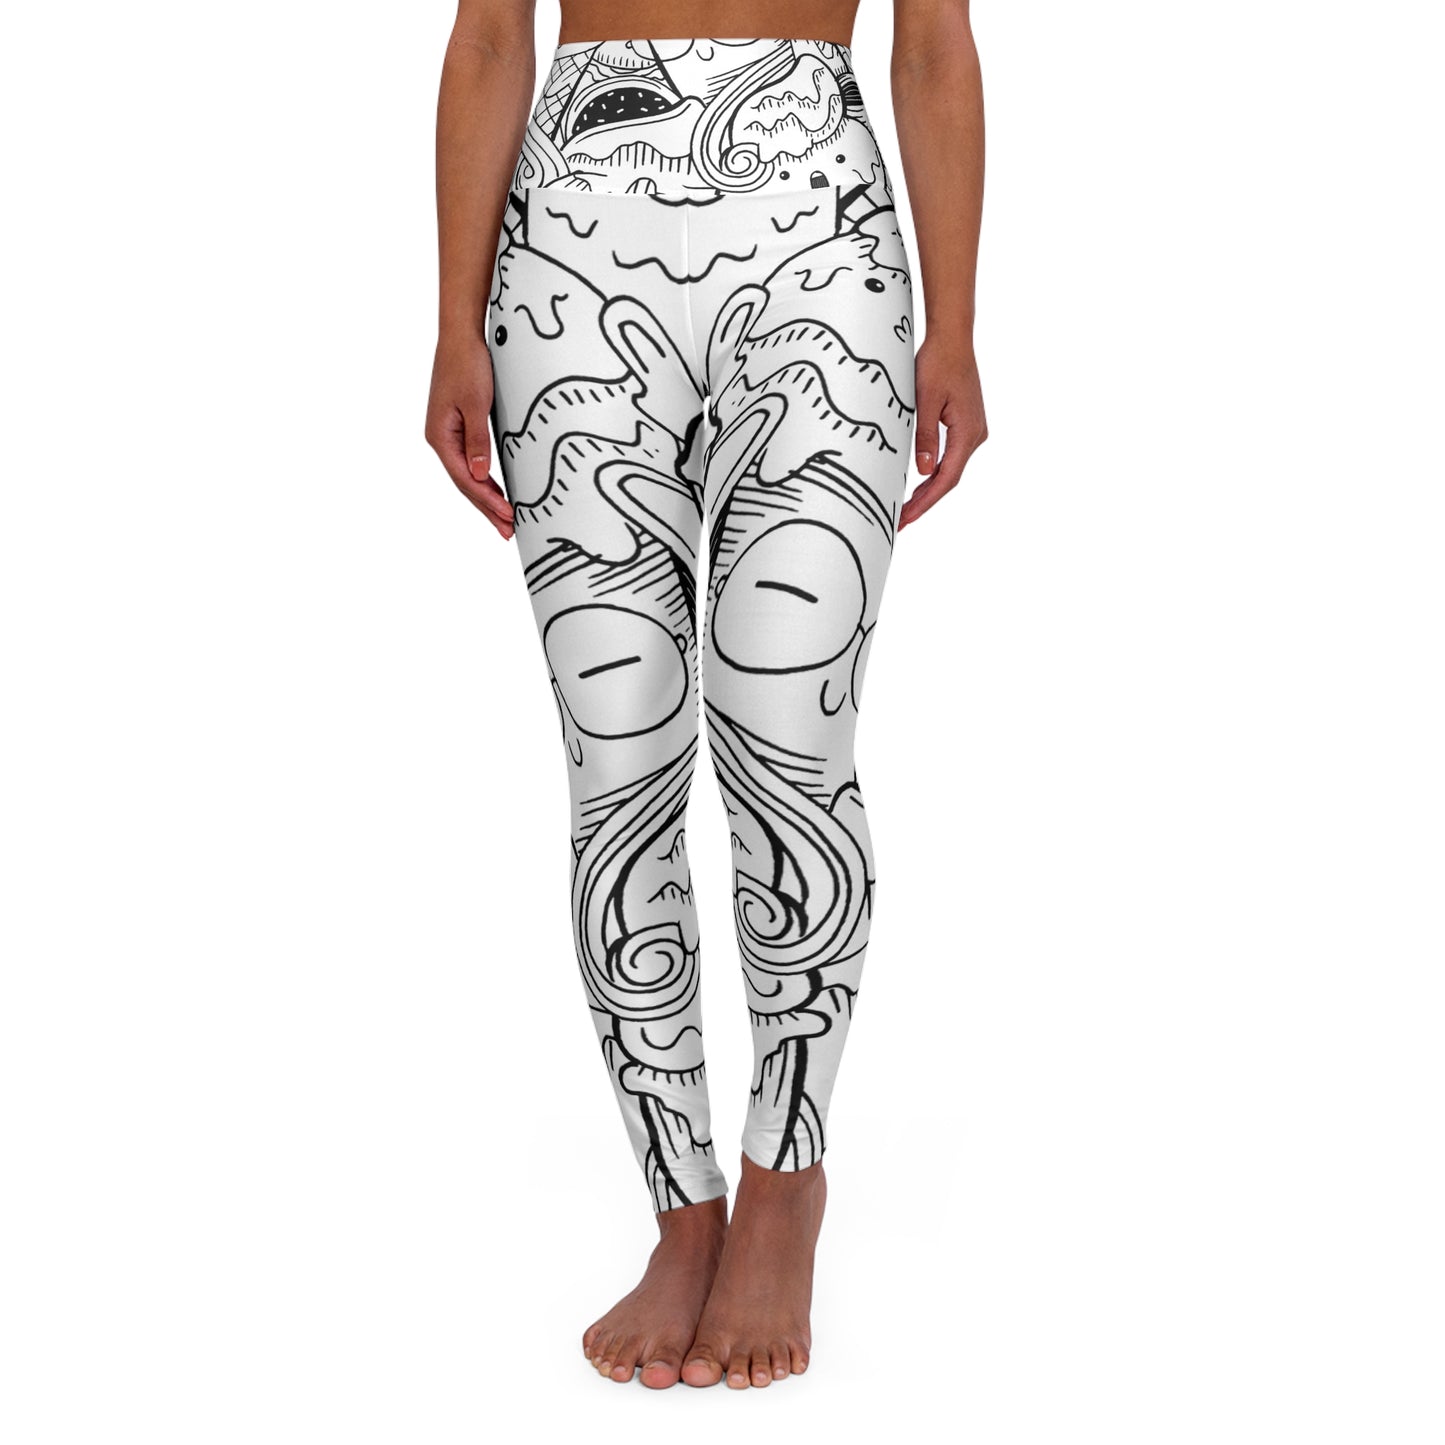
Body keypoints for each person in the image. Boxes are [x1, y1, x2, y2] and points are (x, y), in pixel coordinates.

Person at [424, 0, 987, 1391]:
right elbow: (490, 34)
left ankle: (784, 1179)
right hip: (568, 233)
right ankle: (681, 1204)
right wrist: (450, 322)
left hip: (819, 244)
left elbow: (930, 40)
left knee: (790, 747)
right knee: (615, 767)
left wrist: (957, 326)